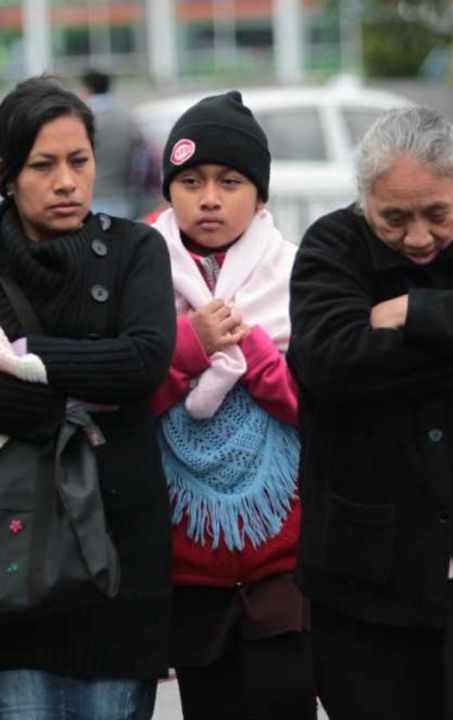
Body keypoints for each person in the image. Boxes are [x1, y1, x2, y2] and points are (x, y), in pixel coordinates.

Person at [286, 107, 453, 720]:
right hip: (364, 580)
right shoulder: (332, 247)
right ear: (364, 201)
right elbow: (333, 360)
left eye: (437, 214)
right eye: (395, 218)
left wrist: (411, 313)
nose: (418, 237)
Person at [0, 76, 176, 720]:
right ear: (7, 173)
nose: (66, 181)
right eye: (43, 165)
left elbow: (144, 362)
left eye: (78, 161)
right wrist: (75, 406)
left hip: (120, 545)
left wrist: (24, 354)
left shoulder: (135, 248)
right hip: (10, 542)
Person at [148, 91, 315, 720]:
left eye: (230, 180)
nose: (209, 197)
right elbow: (122, 404)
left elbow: (319, 410)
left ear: (261, 194)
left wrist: (256, 354)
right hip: (189, 563)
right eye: (190, 181)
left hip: (284, 559)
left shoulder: (296, 278)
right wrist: (191, 346)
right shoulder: (142, 276)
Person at [80, 69, 153, 218]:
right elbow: (143, 155)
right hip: (123, 199)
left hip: (88, 198)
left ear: (88, 89)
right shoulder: (127, 117)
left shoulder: (80, 120)